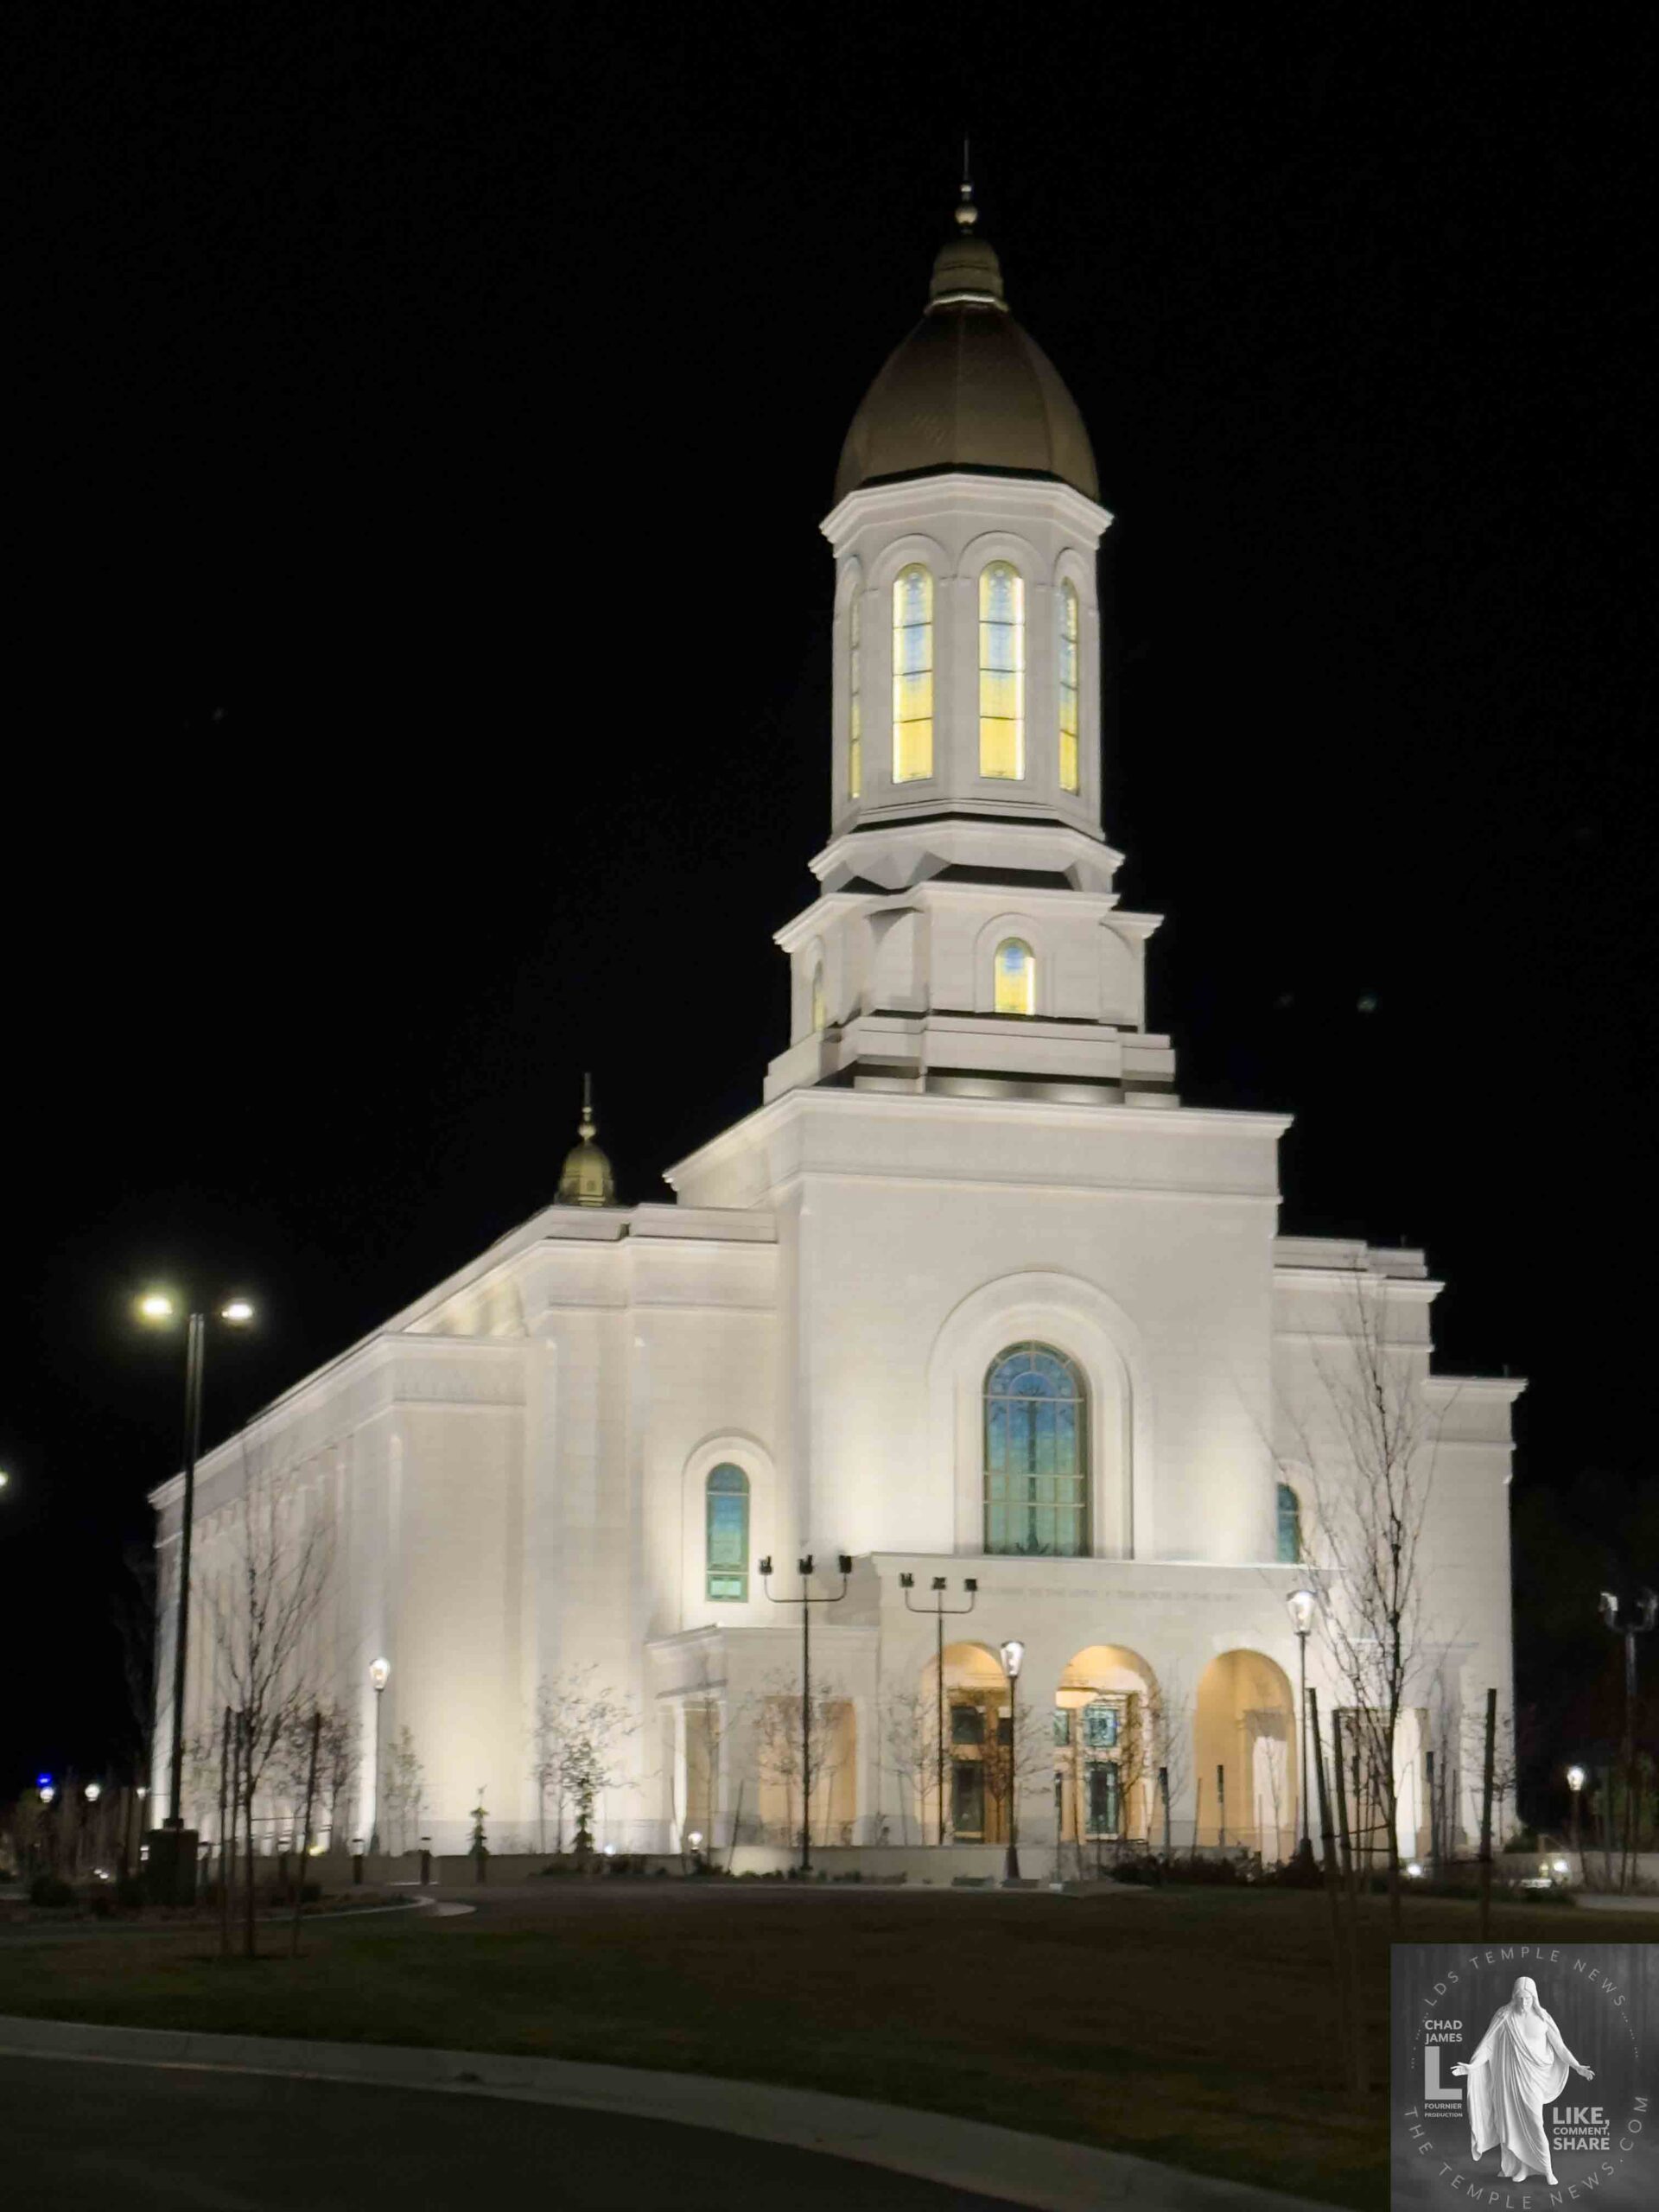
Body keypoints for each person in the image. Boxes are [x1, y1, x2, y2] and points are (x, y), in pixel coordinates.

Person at [1452, 1975, 1594, 2186]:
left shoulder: (1543, 2018)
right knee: (1513, 2124)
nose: (1524, 2003)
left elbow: (1560, 2047)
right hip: (1510, 2079)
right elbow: (1488, 2046)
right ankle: (1523, 2168)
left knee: (1535, 2123)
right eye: (1520, 1998)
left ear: (1534, 1998)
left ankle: (1547, 2169)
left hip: (1533, 2079)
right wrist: (1472, 2067)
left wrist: (1577, 2066)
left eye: (1528, 1998)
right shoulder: (1504, 2016)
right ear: (1514, 1997)